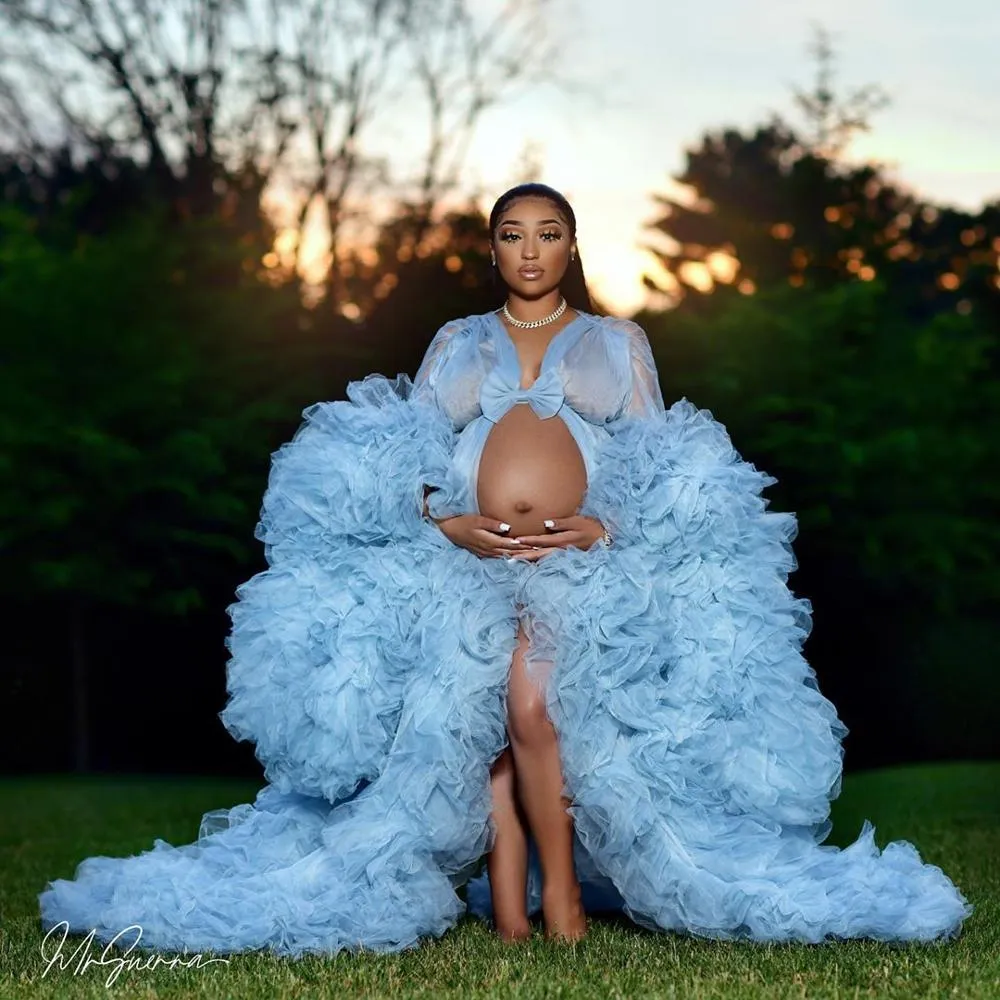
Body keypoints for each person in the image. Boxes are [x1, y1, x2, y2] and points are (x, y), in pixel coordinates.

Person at [39, 183, 971, 956]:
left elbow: (659, 464)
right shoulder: (457, 342)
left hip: (577, 569)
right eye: (512, 235)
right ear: (493, 250)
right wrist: (449, 524)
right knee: (478, 730)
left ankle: (561, 901)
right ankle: (513, 910)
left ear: (572, 247)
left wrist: (598, 525)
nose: (531, 250)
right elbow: (404, 465)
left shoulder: (618, 343)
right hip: (467, 566)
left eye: (549, 234)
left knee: (535, 708)